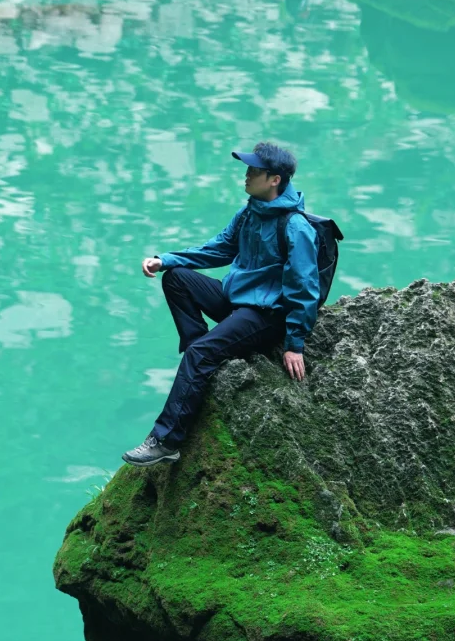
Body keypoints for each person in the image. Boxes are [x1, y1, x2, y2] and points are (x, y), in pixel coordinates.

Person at [121, 141, 320, 467]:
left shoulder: (295, 226)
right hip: (237, 300)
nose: (246, 175)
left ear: (274, 179)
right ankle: (204, 352)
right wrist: (165, 260)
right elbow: (218, 249)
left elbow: (305, 289)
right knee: (177, 278)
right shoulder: (249, 212)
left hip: (266, 315)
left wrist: (294, 344)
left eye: (254, 170)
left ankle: (166, 439)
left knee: (200, 356)